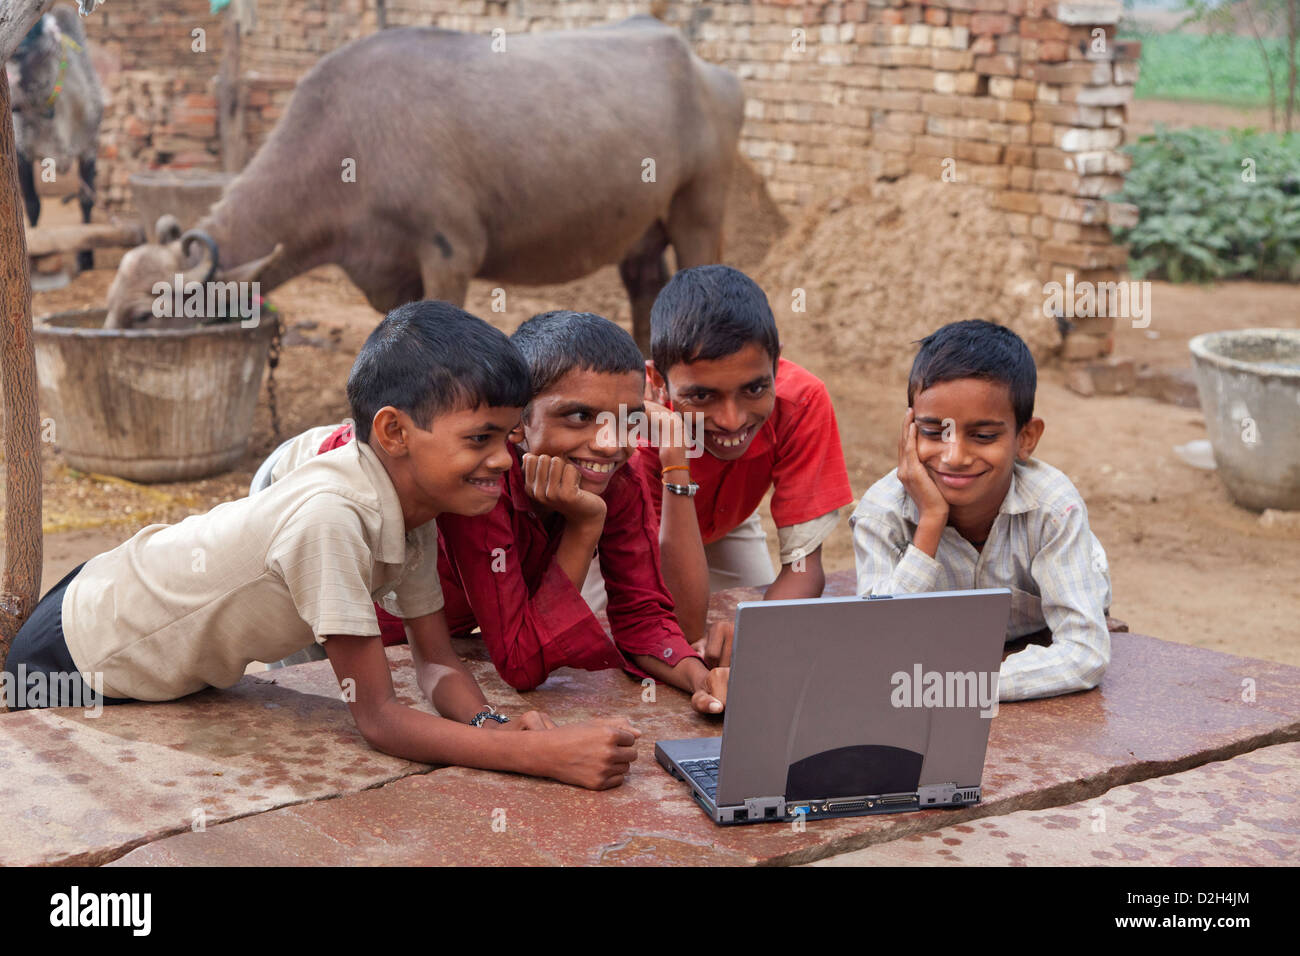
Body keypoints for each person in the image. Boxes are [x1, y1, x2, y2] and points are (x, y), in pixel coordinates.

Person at [2, 301, 640, 790]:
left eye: (507, 436)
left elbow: (435, 663)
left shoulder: (413, 507)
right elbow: (379, 716)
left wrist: (490, 723)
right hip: (77, 651)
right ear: (393, 431)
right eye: (480, 439)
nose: (505, 460)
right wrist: (536, 756)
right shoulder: (333, 517)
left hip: (116, 617)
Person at [268, 311, 730, 715]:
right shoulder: (479, 481)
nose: (609, 442)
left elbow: (645, 614)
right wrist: (584, 526)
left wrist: (698, 679)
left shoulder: (614, 477)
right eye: (577, 416)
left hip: (424, 590)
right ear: (518, 423)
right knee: (310, 675)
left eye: (626, 418)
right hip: (310, 483)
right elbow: (521, 662)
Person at [851, 319, 1112, 701]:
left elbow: (1085, 653)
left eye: (984, 436)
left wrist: (967, 688)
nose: (955, 457)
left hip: (1038, 626)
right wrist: (931, 522)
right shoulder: (883, 511)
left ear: (1026, 438)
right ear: (909, 429)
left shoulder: (1053, 508)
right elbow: (873, 642)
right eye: (933, 431)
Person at [610, 264, 855, 664]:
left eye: (755, 388)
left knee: (757, 627)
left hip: (729, 520)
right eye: (702, 396)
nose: (732, 419)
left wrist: (753, 637)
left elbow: (802, 568)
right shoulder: (634, 429)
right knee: (606, 647)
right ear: (657, 382)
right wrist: (674, 455)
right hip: (628, 533)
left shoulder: (803, 402)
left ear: (777, 366)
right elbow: (678, 620)